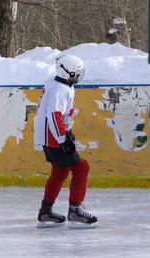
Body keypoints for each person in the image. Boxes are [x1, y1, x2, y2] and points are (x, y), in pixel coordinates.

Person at [34, 54, 98, 228]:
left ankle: (45, 211)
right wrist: (63, 139)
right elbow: (54, 115)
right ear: (66, 72)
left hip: (49, 134)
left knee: (60, 171)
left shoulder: (59, 84)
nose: (78, 76)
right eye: (75, 73)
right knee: (81, 167)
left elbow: (59, 114)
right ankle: (75, 210)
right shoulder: (60, 89)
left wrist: (67, 132)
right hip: (53, 136)